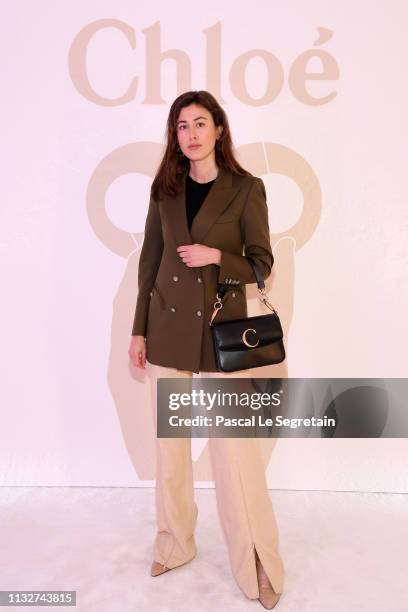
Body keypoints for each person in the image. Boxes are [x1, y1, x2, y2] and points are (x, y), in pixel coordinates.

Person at [129, 90, 284, 609]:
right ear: (174, 136)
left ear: (219, 129)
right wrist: (138, 331)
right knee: (170, 452)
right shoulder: (164, 189)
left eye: (200, 123)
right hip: (169, 331)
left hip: (224, 337)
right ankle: (174, 544)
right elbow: (149, 264)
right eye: (181, 126)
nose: (191, 134)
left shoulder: (246, 189)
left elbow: (263, 265)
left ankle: (258, 561)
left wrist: (219, 255)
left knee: (235, 456)